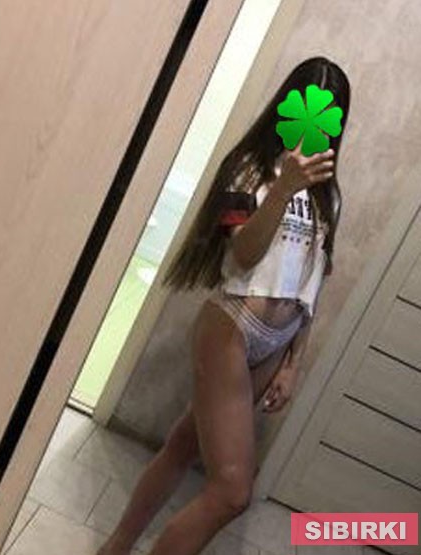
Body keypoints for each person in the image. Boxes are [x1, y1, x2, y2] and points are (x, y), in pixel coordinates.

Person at [97, 56, 351, 555]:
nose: (318, 124)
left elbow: (312, 282)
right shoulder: (247, 170)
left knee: (183, 446)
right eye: (309, 106)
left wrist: (293, 363)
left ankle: (115, 547)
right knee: (233, 492)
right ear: (288, 105)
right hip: (232, 326)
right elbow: (244, 254)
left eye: (330, 114)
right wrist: (282, 190)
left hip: (277, 341)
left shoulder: (330, 196)